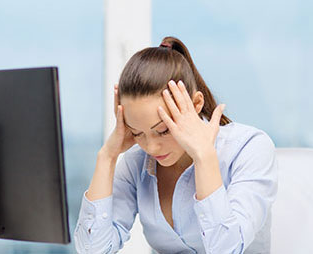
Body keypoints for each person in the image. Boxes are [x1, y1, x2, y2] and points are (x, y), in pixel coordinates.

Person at [73, 36, 278, 254]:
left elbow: (226, 248)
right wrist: (107, 157)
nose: (151, 148)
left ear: (196, 104)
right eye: (137, 133)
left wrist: (204, 157)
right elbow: (93, 250)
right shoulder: (137, 162)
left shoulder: (248, 149)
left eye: (163, 130)